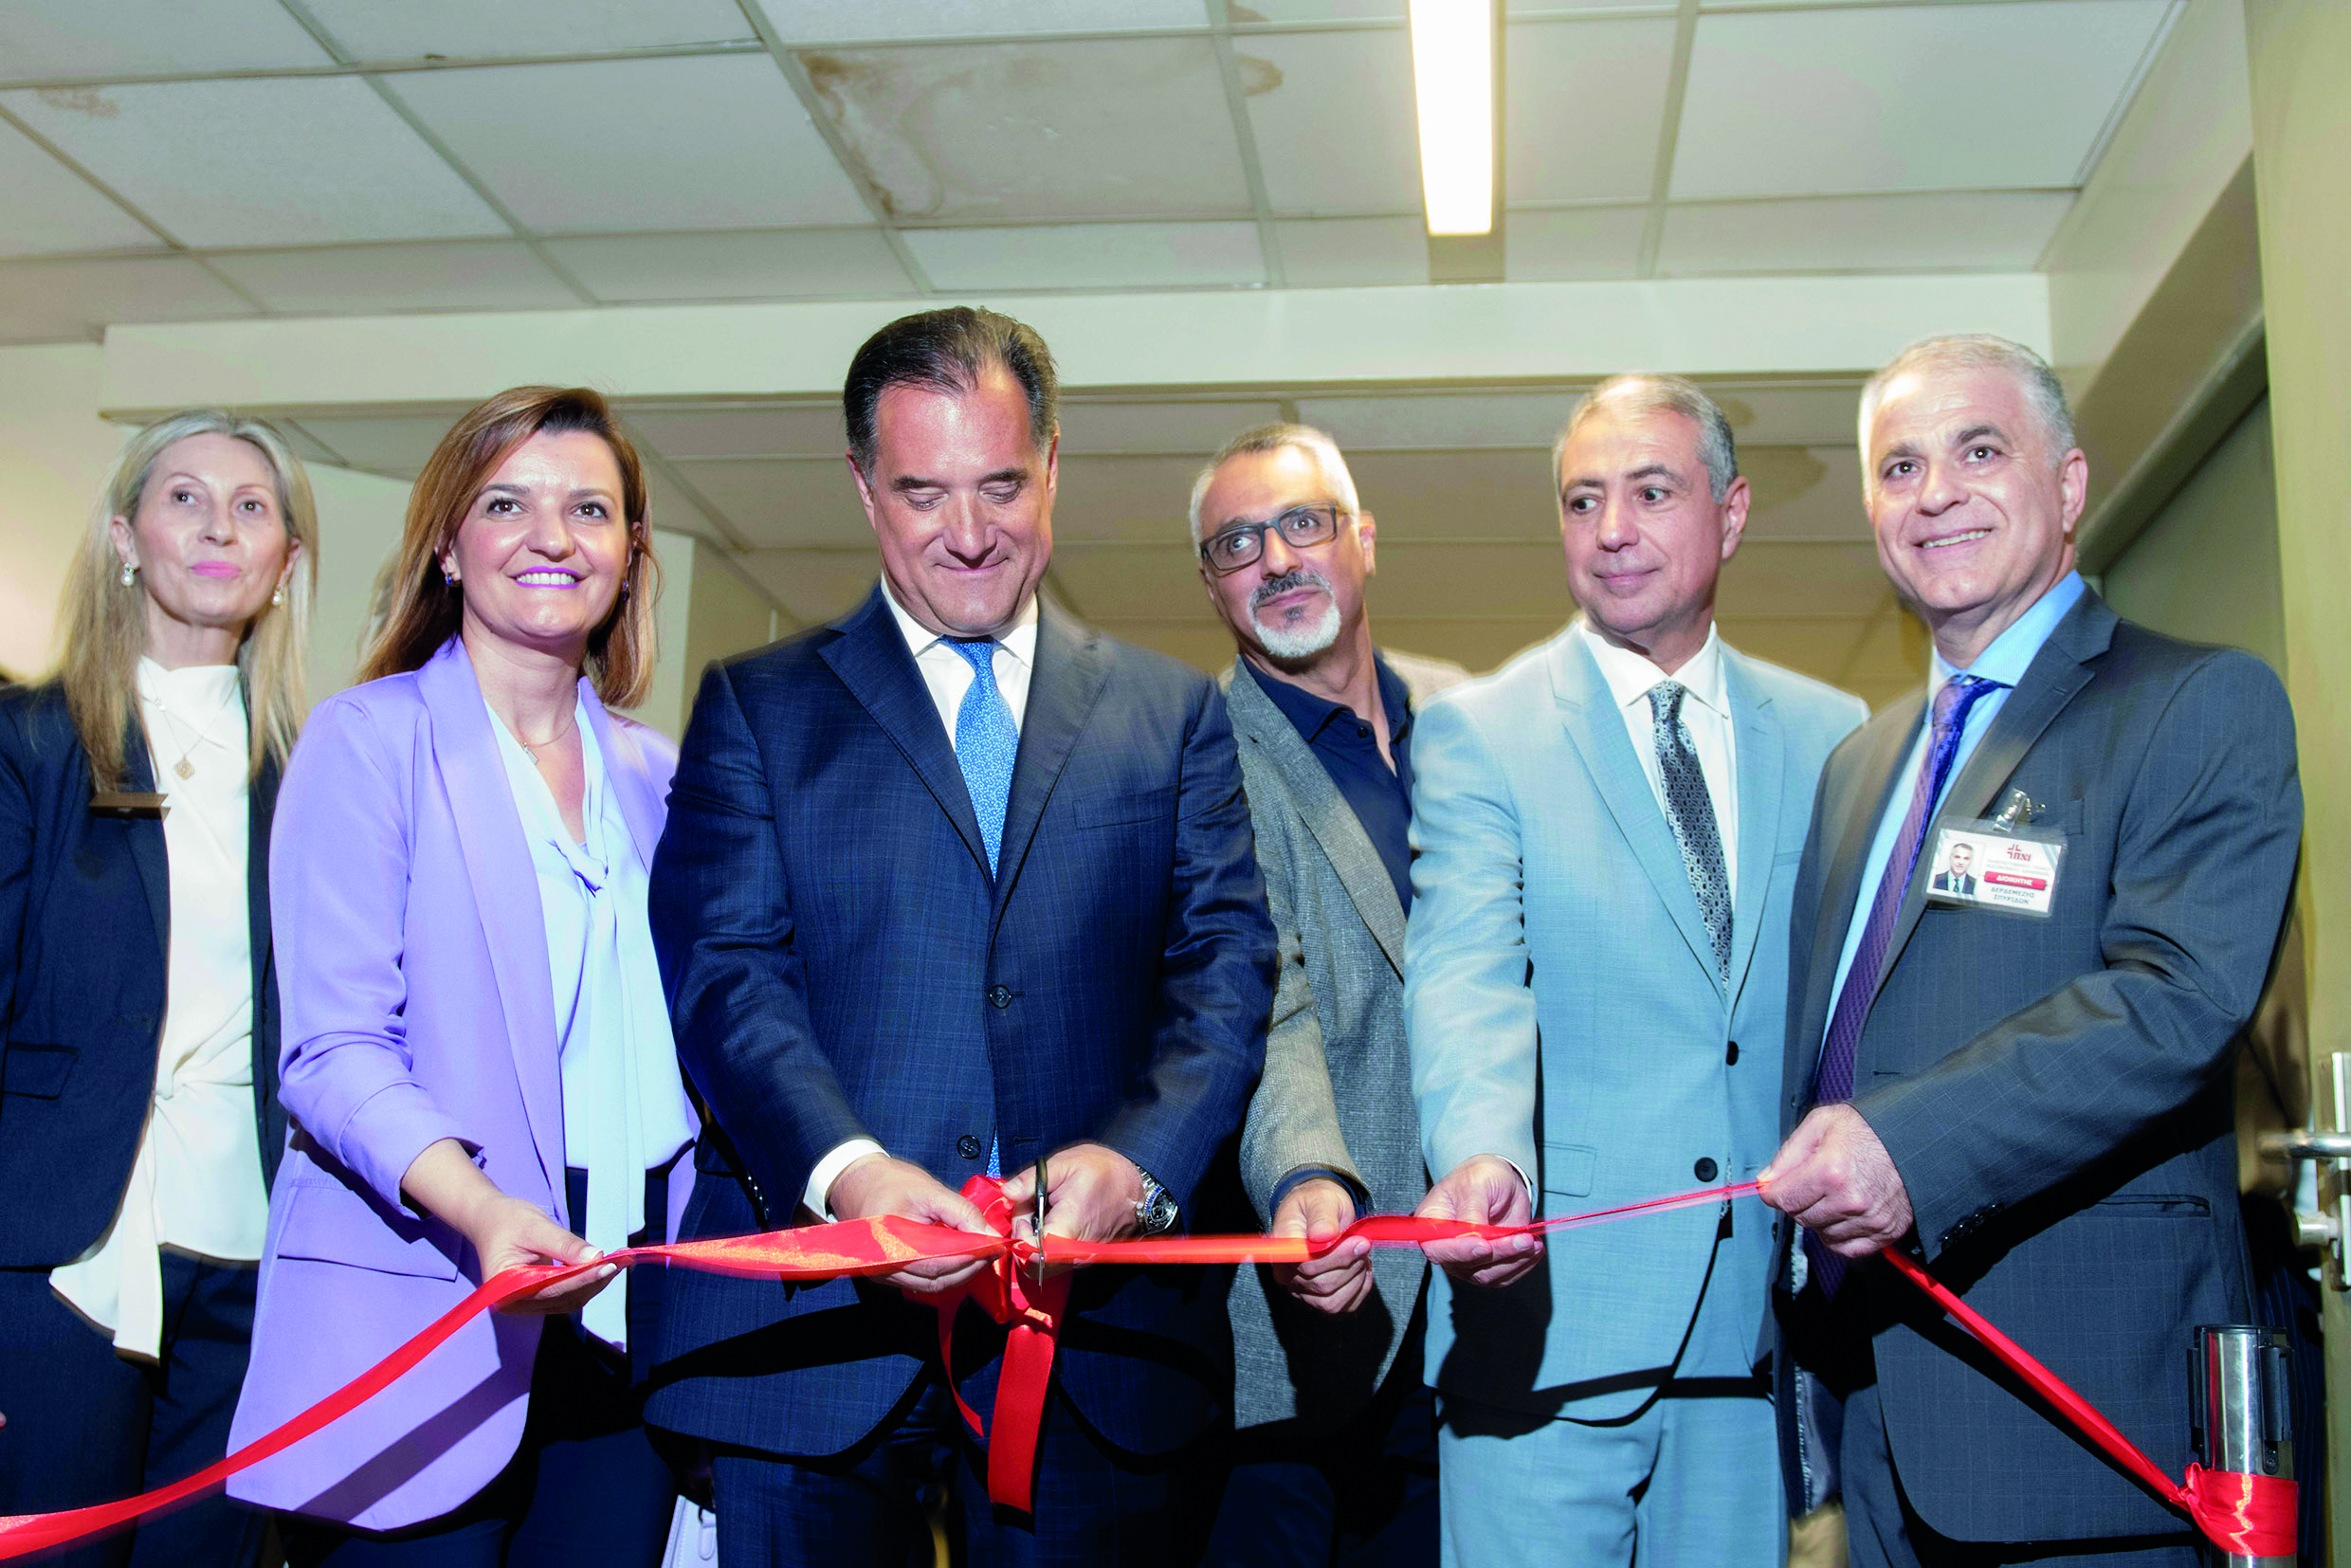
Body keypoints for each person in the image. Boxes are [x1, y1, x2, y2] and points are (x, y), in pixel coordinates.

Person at [643, 306, 1275, 1567]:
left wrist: (1137, 1167)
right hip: (810, 1338)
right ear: (862, 486)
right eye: (923, 492)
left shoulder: (1169, 714)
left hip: (1097, 1351)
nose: (970, 532)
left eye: (1000, 485)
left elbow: (1225, 970)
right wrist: (851, 1178)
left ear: (1053, 467)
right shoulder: (757, 707)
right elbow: (725, 978)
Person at [1759, 335, 2301, 1567]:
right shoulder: (1858, 767)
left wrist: (1907, 1146)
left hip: (2077, 1413)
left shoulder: (2193, 703)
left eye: (1978, 451)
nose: (1934, 493)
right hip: (1873, 1409)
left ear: (2067, 484)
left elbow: (2175, 998)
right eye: (1899, 467)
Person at [226, 387, 694, 1566]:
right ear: (447, 543)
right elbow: (331, 1050)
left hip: (628, 1315)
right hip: (428, 1297)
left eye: (589, 509)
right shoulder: (367, 739)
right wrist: (482, 1209)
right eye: (506, 505)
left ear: (630, 552)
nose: (552, 537)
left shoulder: (663, 777)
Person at [1403, 375, 1867, 1565]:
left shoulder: (1835, 737)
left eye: (1650, 492)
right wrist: (1481, 1157)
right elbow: (1464, 973)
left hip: (1751, 1338)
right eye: (1581, 500)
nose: (1610, 529)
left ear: (1731, 511)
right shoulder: (1480, 731)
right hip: (1544, 1329)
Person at [0, 411, 314, 1568]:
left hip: (251, 1254)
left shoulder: (313, 774)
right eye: (185, 497)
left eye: (251, 506)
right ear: (126, 536)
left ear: (285, 560)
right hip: (61, 1251)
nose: (219, 526)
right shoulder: (32, 743)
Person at [1189, 425, 1466, 1566]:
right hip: (1299, 1327)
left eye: (1301, 523)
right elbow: (1265, 994)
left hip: (1477, 1312)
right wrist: (1308, 1173)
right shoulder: (1198, 755)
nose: (1275, 559)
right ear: (1211, 584)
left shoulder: (1470, 718)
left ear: (1363, 539)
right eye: (1236, 543)